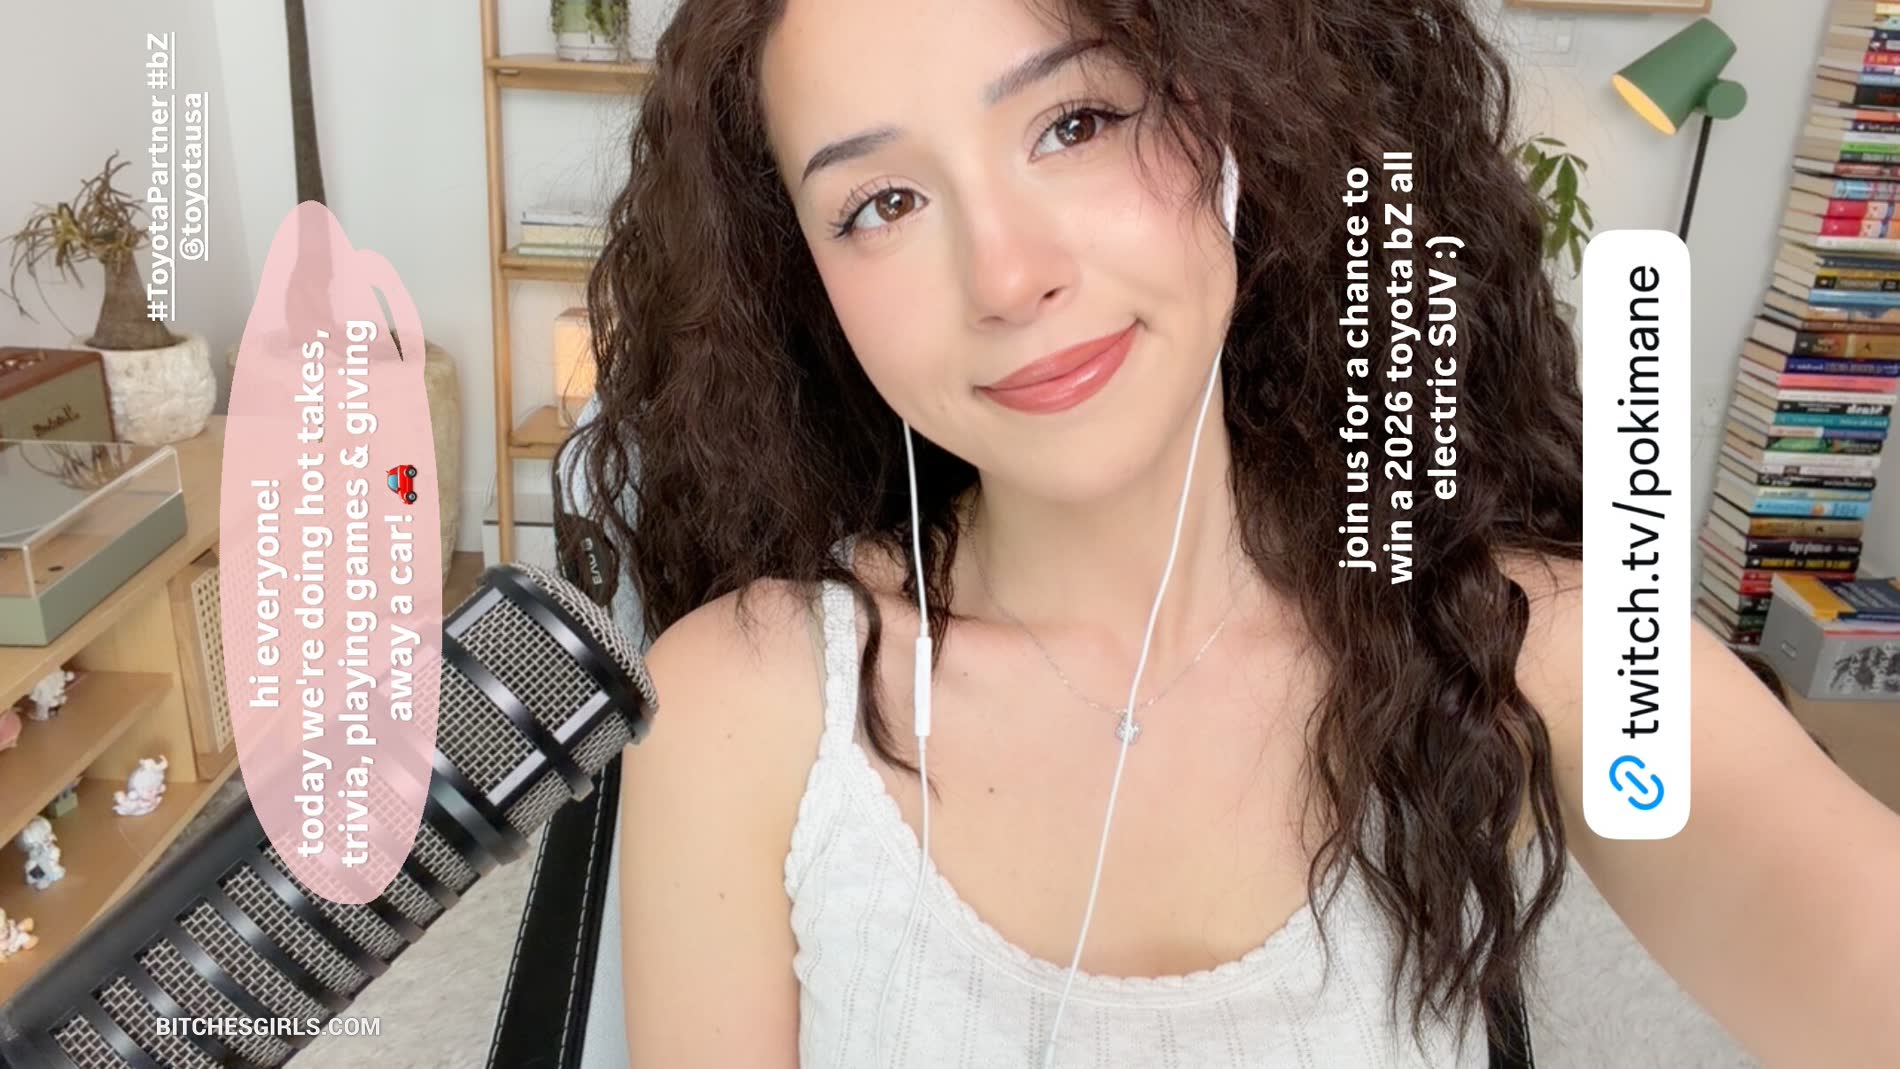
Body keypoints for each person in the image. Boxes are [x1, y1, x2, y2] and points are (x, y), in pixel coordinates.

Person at [566, 0, 1900, 1065]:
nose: (1008, 276)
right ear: (802, 283)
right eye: (881, 204)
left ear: (1242, 119)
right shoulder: (741, 708)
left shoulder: (1519, 644)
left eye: (1077, 122)